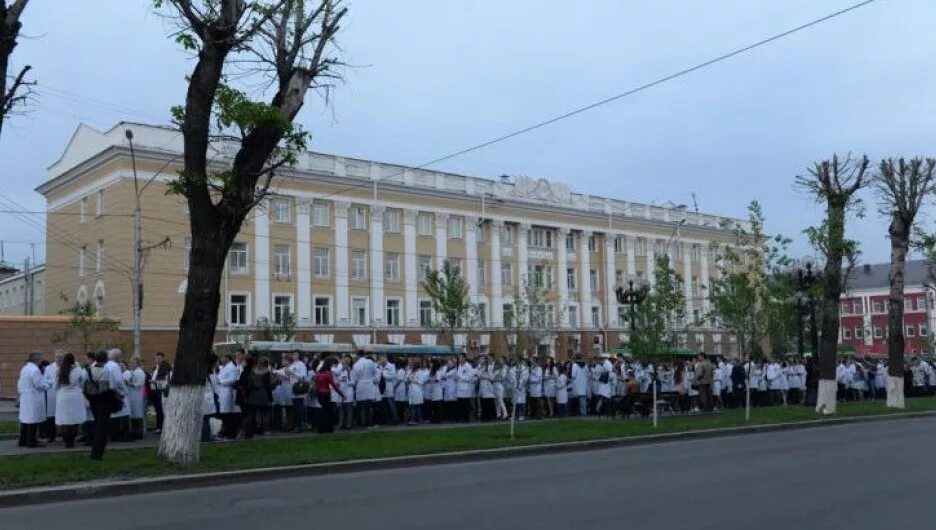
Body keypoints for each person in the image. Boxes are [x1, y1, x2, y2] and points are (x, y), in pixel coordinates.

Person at [83, 350, 121, 460]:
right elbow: (104, 389)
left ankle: (94, 450)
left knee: (97, 425)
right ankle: (98, 452)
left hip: (92, 400)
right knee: (102, 427)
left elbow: (85, 387)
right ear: (105, 359)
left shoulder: (88, 370)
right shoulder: (104, 371)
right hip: (103, 402)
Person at [17, 351, 50, 448]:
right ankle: (31, 441)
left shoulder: (24, 368)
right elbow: (39, 384)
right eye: (40, 359)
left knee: (25, 419)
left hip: (25, 397)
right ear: (37, 360)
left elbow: (20, 383)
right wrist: (48, 384)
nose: (41, 361)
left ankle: (22, 440)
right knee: (33, 419)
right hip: (33, 398)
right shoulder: (34, 370)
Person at [54, 353, 87, 449]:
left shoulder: (60, 370)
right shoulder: (78, 369)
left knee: (65, 419)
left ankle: (66, 440)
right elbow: (83, 382)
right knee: (74, 419)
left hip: (63, 396)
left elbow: (55, 385)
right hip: (75, 396)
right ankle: (72, 440)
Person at [243, 356, 273, 438]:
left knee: (251, 415)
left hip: (253, 395)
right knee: (265, 414)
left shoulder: (253, 372)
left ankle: (248, 433)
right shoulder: (267, 373)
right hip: (264, 395)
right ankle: (266, 432)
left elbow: (248, 384)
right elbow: (269, 386)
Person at [104, 350, 130, 442]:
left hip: (108, 391)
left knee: (113, 414)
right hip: (117, 391)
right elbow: (119, 380)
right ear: (117, 357)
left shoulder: (106, 365)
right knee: (125, 413)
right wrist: (125, 391)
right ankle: (125, 436)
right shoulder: (115, 366)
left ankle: (114, 435)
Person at [315, 357, 345, 434]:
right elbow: (334, 385)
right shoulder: (328, 373)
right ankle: (328, 428)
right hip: (326, 393)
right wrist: (342, 394)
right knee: (328, 412)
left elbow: (317, 385)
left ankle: (321, 428)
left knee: (322, 411)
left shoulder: (318, 373)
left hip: (319, 393)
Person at [217, 352, 242, 439]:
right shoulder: (224, 367)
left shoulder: (232, 367)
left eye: (223, 357)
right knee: (223, 413)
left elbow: (232, 380)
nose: (221, 359)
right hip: (221, 391)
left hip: (227, 391)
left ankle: (228, 432)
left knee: (227, 413)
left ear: (228, 358)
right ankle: (225, 431)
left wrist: (220, 381)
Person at [351, 354, 379, 428]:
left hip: (360, 385)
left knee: (359, 405)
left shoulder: (356, 365)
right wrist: (374, 380)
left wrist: (354, 384)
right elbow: (376, 372)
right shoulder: (370, 362)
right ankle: (367, 422)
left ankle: (360, 422)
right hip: (369, 385)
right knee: (368, 405)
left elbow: (354, 378)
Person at [42, 350, 64, 442]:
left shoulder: (67, 367)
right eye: (57, 357)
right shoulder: (49, 368)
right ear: (54, 357)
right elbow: (45, 380)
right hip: (52, 394)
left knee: (64, 415)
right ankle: (51, 436)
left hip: (63, 394)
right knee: (51, 416)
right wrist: (54, 382)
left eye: (60, 357)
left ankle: (65, 435)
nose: (59, 358)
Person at [124, 356, 147, 439]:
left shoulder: (140, 372)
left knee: (138, 413)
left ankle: (139, 433)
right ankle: (134, 432)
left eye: (133, 363)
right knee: (133, 414)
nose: (131, 364)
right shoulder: (130, 372)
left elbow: (140, 384)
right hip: (131, 395)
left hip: (137, 395)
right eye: (130, 363)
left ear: (137, 363)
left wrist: (130, 384)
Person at [286, 353, 309, 433]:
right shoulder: (292, 364)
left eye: (296, 354)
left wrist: (292, 373)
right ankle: (297, 425)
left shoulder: (301, 364)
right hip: (292, 388)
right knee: (295, 408)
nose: (294, 356)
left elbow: (303, 376)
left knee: (298, 408)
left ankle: (299, 426)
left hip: (298, 388)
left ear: (299, 356)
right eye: (293, 354)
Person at [149, 352, 171, 433]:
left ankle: (162, 428)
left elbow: (166, 381)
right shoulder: (156, 368)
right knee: (158, 410)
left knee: (162, 410)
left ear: (163, 358)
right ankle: (159, 427)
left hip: (161, 391)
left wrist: (154, 382)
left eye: (159, 358)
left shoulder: (165, 368)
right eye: (156, 358)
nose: (157, 360)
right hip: (156, 391)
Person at [202, 353, 221, 442]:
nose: (218, 362)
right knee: (208, 418)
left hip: (206, 397)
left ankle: (207, 436)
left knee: (205, 418)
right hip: (209, 398)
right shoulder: (210, 372)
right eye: (217, 361)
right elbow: (215, 385)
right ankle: (207, 437)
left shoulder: (206, 371)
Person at [377, 355, 398, 426]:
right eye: (380, 359)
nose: (381, 360)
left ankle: (395, 420)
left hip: (389, 387)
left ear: (386, 359)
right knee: (384, 405)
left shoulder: (391, 366)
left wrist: (384, 376)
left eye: (383, 359)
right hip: (381, 388)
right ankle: (386, 420)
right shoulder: (379, 366)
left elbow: (394, 376)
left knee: (391, 405)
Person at [455, 355, 476, 422]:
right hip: (459, 387)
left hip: (465, 388)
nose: (459, 359)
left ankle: (466, 418)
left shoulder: (468, 366)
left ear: (464, 358)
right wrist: (457, 378)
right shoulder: (459, 366)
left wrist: (460, 378)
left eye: (460, 357)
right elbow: (458, 375)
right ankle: (461, 417)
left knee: (466, 404)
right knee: (460, 404)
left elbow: (469, 377)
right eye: (459, 358)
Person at [407, 358, 428, 425]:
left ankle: (413, 420)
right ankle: (419, 419)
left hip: (417, 391)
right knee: (416, 407)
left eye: (412, 364)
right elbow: (408, 379)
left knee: (414, 406)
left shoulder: (420, 372)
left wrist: (414, 381)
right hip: (412, 391)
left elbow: (422, 382)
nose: (411, 365)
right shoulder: (411, 372)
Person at [337, 355, 354, 429]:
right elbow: (336, 380)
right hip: (340, 391)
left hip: (348, 392)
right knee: (341, 409)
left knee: (348, 408)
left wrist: (347, 380)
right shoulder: (339, 370)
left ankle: (348, 424)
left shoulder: (352, 370)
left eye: (348, 360)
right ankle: (341, 424)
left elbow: (353, 382)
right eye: (345, 360)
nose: (346, 361)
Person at [477, 356, 496, 421]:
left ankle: (490, 416)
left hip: (488, 385)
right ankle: (484, 416)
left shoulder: (490, 367)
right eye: (481, 359)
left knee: (489, 401)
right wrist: (483, 375)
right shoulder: (480, 367)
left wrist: (485, 377)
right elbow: (478, 375)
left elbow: (492, 377)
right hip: (482, 385)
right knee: (483, 401)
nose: (482, 361)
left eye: (484, 359)